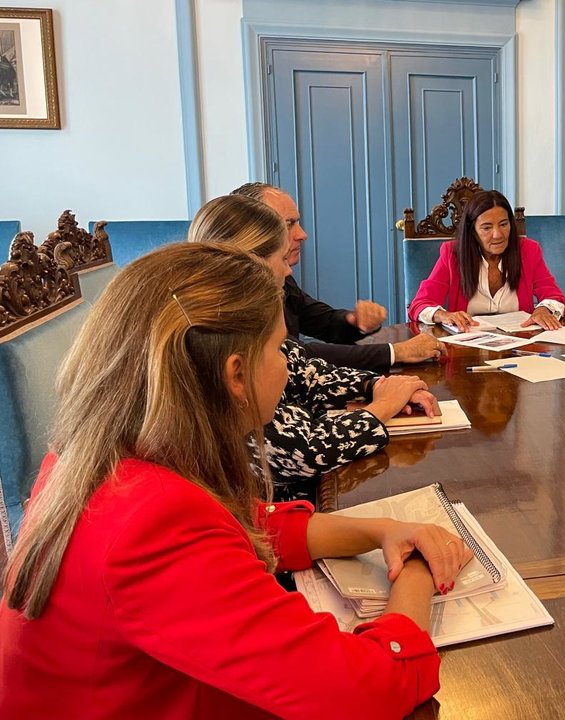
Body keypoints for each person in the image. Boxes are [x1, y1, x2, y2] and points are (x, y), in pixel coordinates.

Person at [0, 242, 472, 719]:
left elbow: (245, 524)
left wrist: (383, 530)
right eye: (278, 348)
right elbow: (367, 689)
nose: (288, 366)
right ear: (236, 375)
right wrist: (417, 570)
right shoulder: (153, 521)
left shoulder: (94, 456)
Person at [188, 195, 437, 501]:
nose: (288, 271)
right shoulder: (217, 342)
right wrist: (384, 404)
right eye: (281, 259)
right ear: (250, 262)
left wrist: (378, 385)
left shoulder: (253, 311)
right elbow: (306, 451)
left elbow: (305, 369)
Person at [232, 182, 444, 372]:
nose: (302, 234)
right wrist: (395, 352)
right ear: (255, 231)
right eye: (289, 224)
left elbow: (322, 321)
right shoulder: (240, 291)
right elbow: (299, 357)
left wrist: (355, 321)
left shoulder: (281, 275)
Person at [407, 189, 565, 331]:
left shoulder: (528, 250)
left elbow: (554, 295)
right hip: (466, 349)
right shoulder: (452, 253)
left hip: (521, 347)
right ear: (472, 231)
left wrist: (543, 310)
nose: (498, 234)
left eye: (504, 224)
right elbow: (420, 304)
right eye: (487, 227)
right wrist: (442, 315)